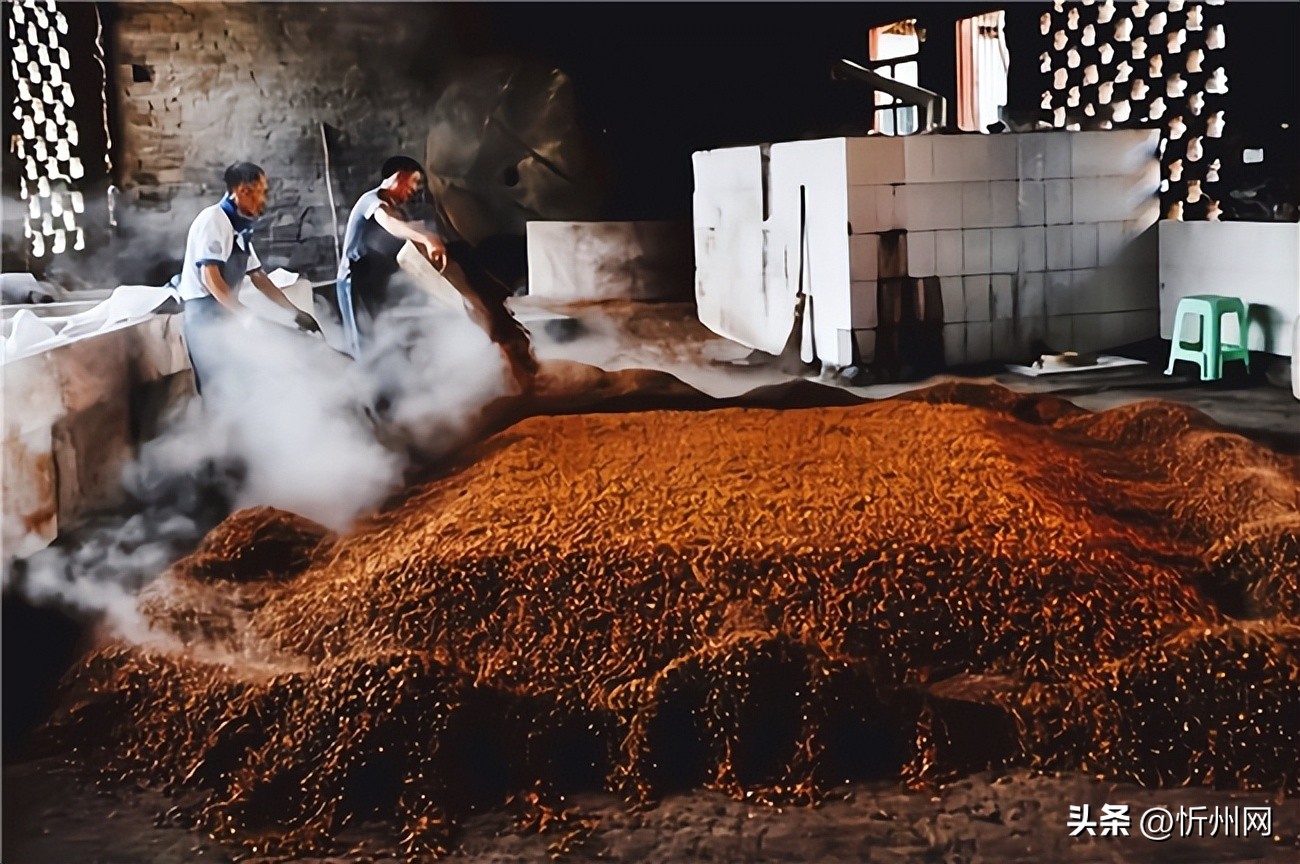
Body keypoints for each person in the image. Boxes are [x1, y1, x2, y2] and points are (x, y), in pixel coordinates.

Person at [335, 155, 537, 389]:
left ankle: (390, 397)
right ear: (399, 175)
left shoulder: (400, 212)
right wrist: (428, 238)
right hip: (354, 281)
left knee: (384, 339)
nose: (415, 191)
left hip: (377, 281)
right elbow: (391, 225)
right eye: (414, 182)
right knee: (364, 344)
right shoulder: (372, 201)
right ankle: (366, 403)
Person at [177, 162, 321, 393]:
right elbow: (211, 279)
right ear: (243, 191)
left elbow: (259, 277)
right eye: (261, 191)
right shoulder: (214, 220)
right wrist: (245, 315)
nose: (264, 199)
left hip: (225, 315)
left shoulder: (238, 230)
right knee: (219, 390)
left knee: (240, 386)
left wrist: (295, 312)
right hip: (205, 318)